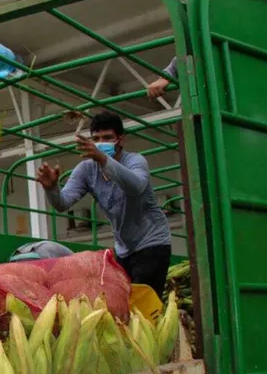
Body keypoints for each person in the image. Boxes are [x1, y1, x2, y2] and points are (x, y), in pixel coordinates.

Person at [35, 111, 173, 295]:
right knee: (126, 302)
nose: (101, 143)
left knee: (143, 303)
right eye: (96, 138)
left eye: (107, 137)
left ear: (120, 140)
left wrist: (103, 159)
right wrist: (51, 188)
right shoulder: (86, 169)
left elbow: (136, 187)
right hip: (123, 249)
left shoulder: (135, 161)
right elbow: (62, 203)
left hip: (152, 241)